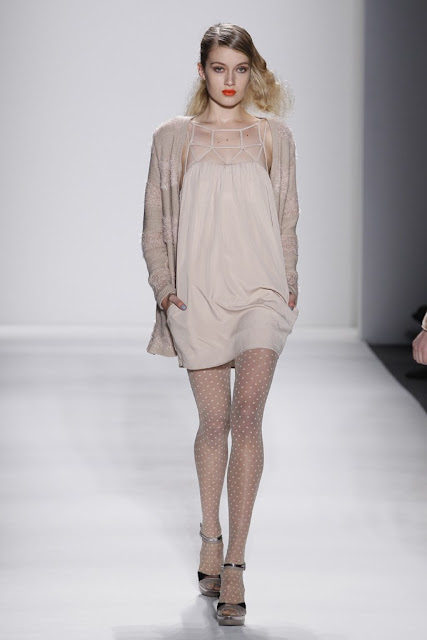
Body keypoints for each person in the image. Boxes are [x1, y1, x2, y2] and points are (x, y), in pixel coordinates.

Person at [141, 23, 300, 626]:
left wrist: (288, 284)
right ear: (201, 70)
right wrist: (165, 290)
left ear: (252, 71)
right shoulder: (172, 138)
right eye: (218, 68)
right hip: (199, 298)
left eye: (239, 68)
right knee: (214, 424)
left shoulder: (274, 137)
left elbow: (287, 217)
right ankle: (210, 534)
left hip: (261, 294)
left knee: (247, 418)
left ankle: (235, 564)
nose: (229, 81)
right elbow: (153, 222)